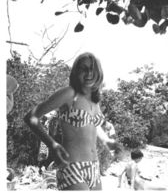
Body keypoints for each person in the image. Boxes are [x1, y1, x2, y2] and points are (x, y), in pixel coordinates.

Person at [24, 52, 117, 190]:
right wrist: (52, 145)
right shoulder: (69, 94)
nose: (89, 73)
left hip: (94, 168)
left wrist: (107, 141)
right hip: (71, 167)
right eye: (83, 69)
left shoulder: (94, 99)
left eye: (92, 68)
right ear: (75, 72)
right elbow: (31, 117)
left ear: (98, 72)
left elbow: (93, 126)